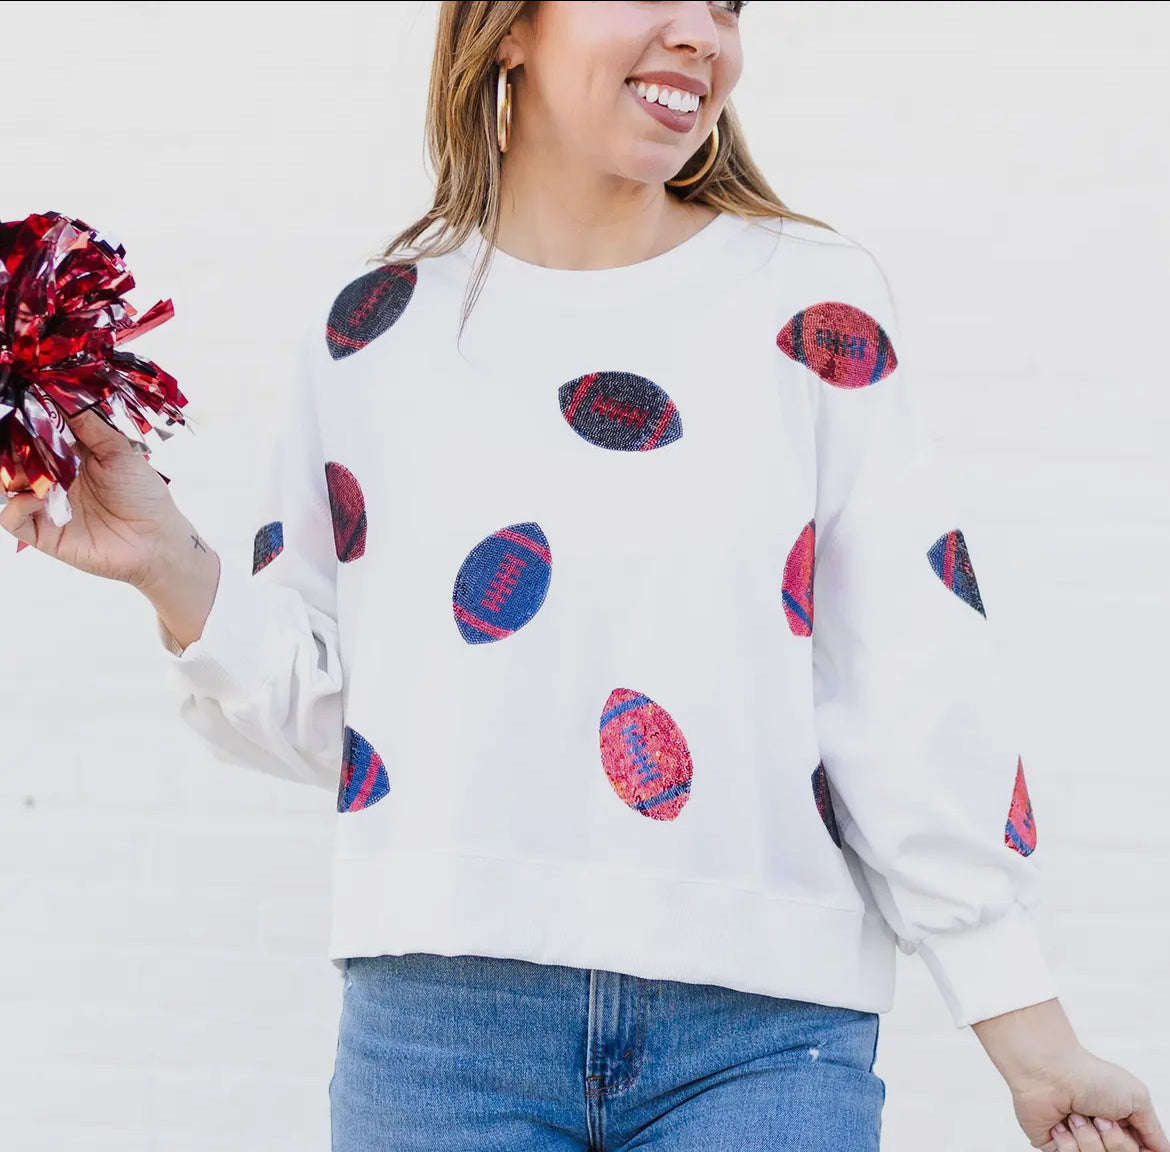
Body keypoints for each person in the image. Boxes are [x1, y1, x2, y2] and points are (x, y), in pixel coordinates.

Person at [2, 3, 1165, 1150]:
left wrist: (1033, 1036)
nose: (703, 33)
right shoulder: (371, 331)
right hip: (441, 1035)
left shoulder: (813, 304)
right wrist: (169, 569)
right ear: (509, 24)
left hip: (764, 1038)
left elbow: (908, 679)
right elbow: (355, 733)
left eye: (727, 3)